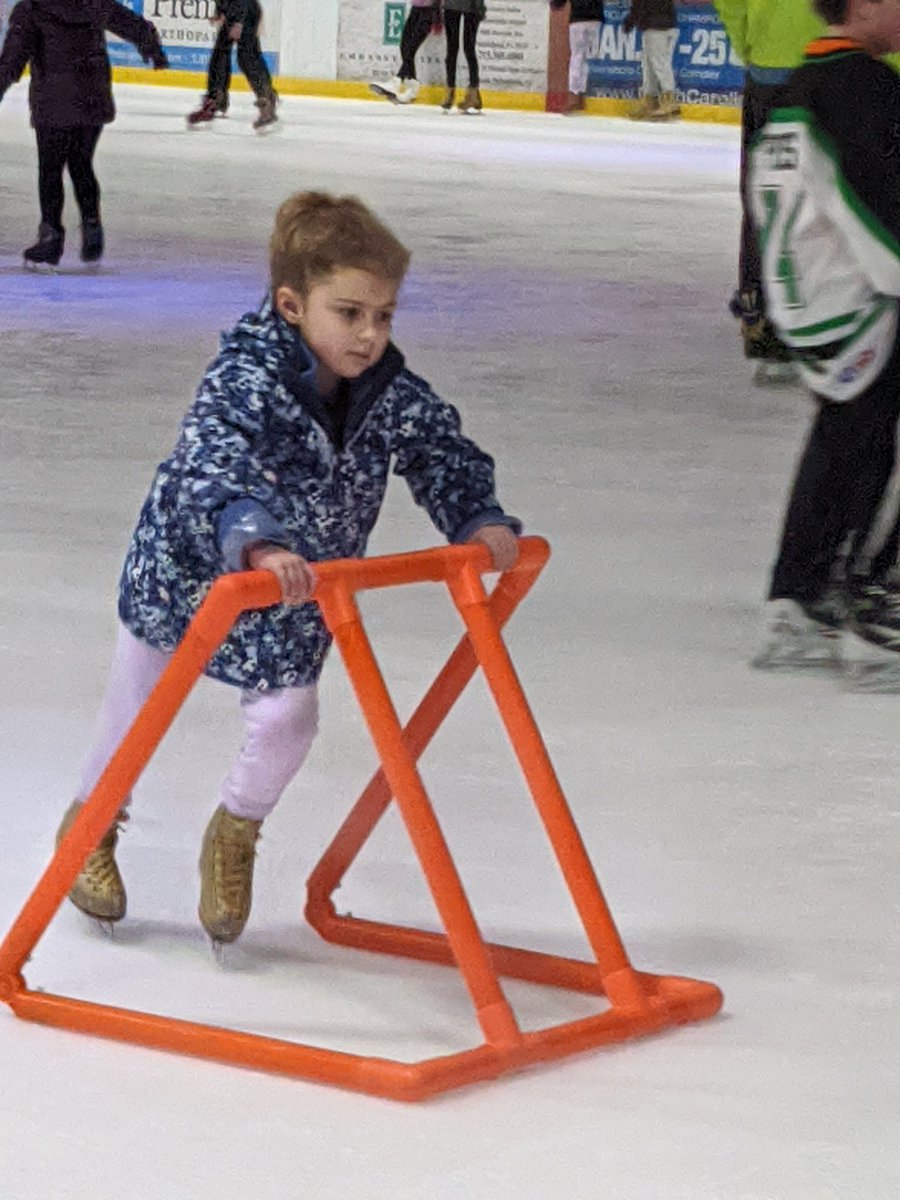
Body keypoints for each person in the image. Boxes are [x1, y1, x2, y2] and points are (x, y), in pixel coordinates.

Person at [56, 191, 522, 945]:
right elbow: (215, 458)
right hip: (190, 574)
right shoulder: (246, 377)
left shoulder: (387, 393)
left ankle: (234, 831)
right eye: (350, 313)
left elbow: (440, 448)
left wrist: (478, 516)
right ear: (292, 305)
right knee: (135, 713)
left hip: (298, 593)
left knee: (289, 723)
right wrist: (253, 538)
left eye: (385, 315)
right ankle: (90, 827)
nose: (371, 335)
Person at [749, 0, 900, 674]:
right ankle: (879, 614)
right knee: (861, 442)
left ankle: (799, 595)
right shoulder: (860, 89)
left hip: (817, 307)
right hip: (863, 304)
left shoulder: (799, 89)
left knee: (848, 442)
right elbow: (875, 209)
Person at [0, 0, 167, 269]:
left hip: (54, 101)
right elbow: (129, 23)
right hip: (92, 96)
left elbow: (13, 57)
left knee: (51, 168)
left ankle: (51, 235)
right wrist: (153, 49)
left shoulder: (31, 8)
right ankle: (92, 225)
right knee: (81, 162)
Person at [712, 1, 826, 379]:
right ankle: (826, 323)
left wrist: (749, 43)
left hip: (770, 67)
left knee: (765, 196)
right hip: (837, 64)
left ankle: (763, 321)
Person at [187, 0, 278, 132]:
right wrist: (220, 12)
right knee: (220, 55)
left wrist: (239, 21)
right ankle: (215, 100)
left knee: (247, 57)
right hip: (234, 11)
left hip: (244, 10)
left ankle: (266, 100)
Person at [370, 0, 441, 105]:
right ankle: (412, 87)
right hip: (416, 7)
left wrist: (438, 15)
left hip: (430, 11)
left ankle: (397, 81)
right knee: (404, 46)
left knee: (411, 48)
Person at [623, 0, 680, 120]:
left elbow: (639, 5)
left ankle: (669, 99)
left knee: (659, 64)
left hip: (656, 26)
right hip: (666, 24)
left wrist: (629, 22)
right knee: (650, 65)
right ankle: (649, 99)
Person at [551, 0, 604, 114]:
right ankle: (581, 96)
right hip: (596, 18)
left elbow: (558, 3)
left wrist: (555, 3)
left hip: (578, 19)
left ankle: (574, 96)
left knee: (577, 57)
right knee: (586, 58)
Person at [441, 0, 486, 113]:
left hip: (472, 5)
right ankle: (450, 90)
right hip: (451, 5)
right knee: (452, 48)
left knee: (468, 48)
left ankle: (473, 93)